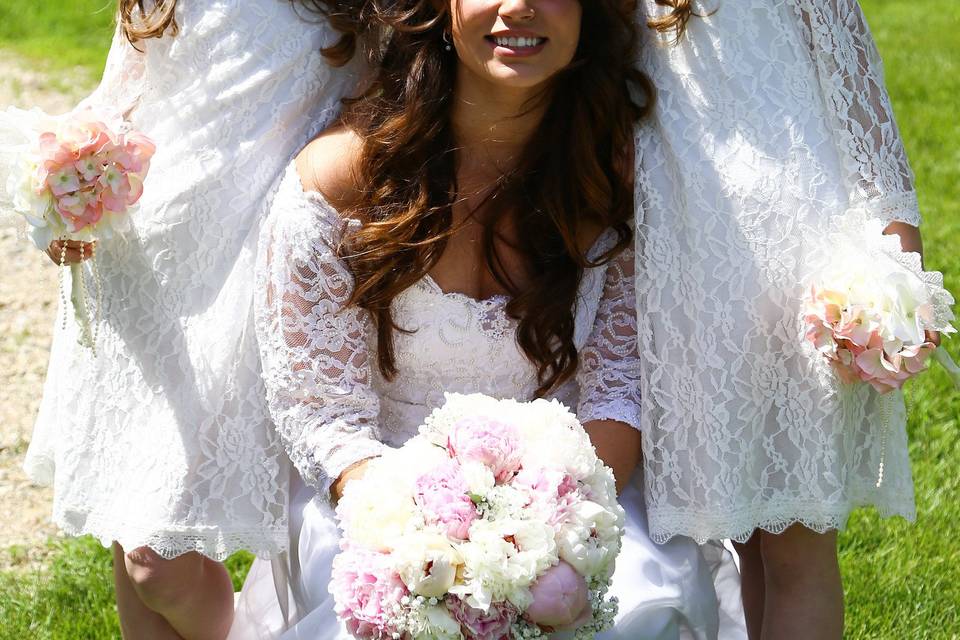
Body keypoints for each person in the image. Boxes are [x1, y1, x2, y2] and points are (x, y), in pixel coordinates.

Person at [234, 0, 745, 638]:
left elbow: (620, 385)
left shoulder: (613, 179)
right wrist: (434, 543)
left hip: (575, 498)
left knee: (632, 613)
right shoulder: (340, 179)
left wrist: (547, 536)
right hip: (383, 508)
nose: (521, 7)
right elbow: (325, 415)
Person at [21, 1, 370, 637]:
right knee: (130, 530)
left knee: (160, 562)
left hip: (243, 274)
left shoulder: (356, 8)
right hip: (140, 268)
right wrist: (66, 194)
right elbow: (119, 98)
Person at [631, 2, 939, 638]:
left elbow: (863, 110)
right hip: (695, 265)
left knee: (792, 547)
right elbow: (867, 113)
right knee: (762, 539)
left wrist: (894, 288)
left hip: (791, 260)